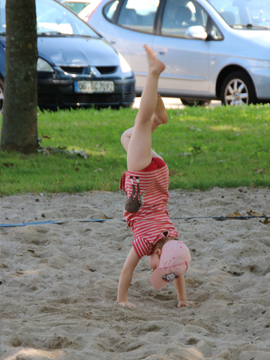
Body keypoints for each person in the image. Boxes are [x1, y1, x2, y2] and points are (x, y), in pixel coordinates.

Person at [118, 44, 194, 309]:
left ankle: (158, 120)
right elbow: (127, 270)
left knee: (126, 137)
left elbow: (177, 268)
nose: (155, 270)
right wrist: (122, 300)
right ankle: (153, 73)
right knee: (139, 122)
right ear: (159, 252)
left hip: (160, 173)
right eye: (158, 267)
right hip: (144, 177)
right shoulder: (144, 243)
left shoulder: (172, 235)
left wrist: (182, 299)